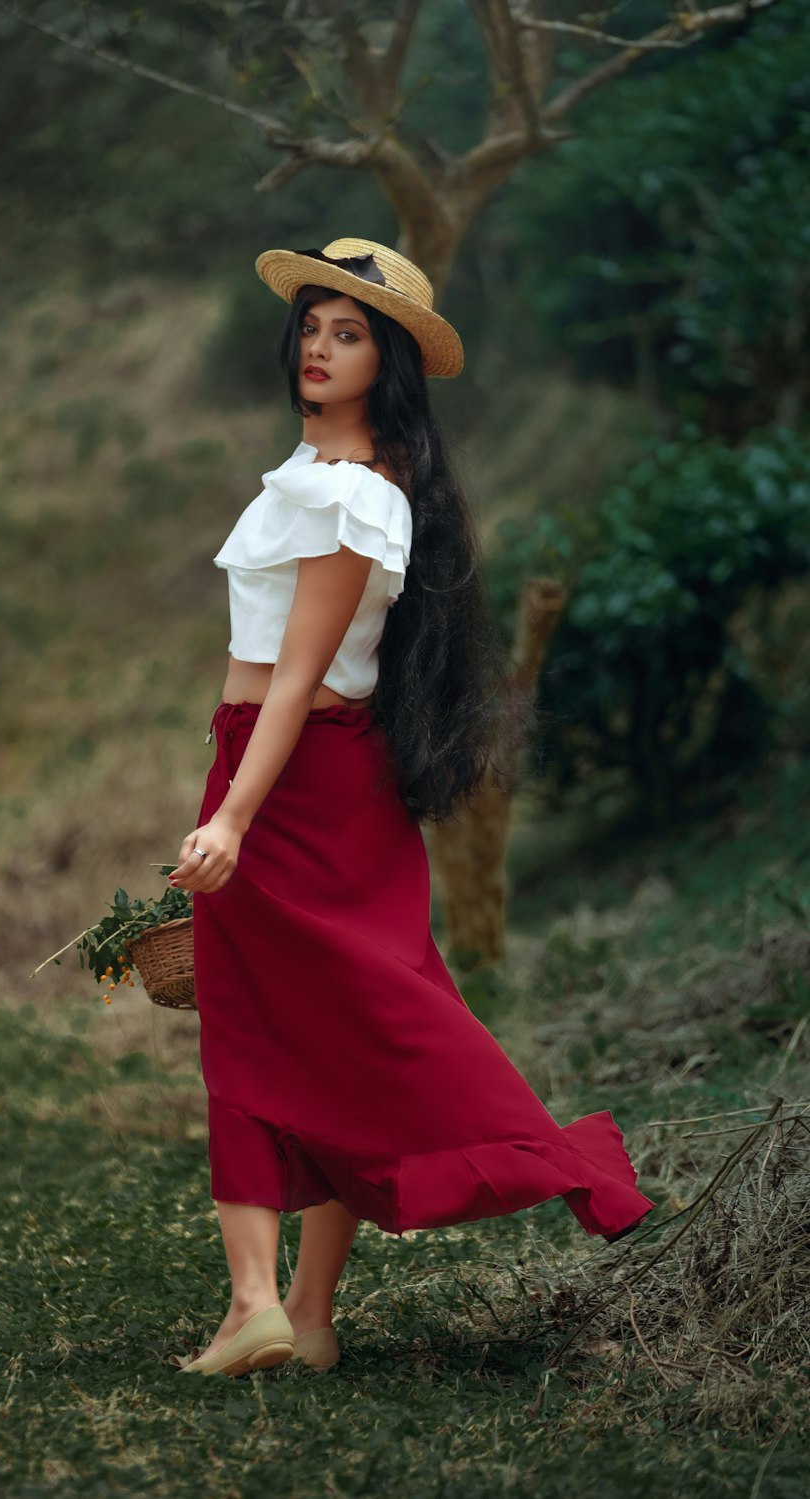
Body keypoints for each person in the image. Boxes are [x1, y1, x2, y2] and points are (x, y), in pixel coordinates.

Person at [166, 238, 656, 1378]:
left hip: (293, 781)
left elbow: (296, 673)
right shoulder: (350, 484)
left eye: (350, 334)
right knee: (346, 1026)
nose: (319, 348)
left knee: (252, 1029)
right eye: (312, 326)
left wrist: (233, 812)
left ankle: (254, 1303)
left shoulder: (349, 494)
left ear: (387, 364)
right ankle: (309, 1314)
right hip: (317, 773)